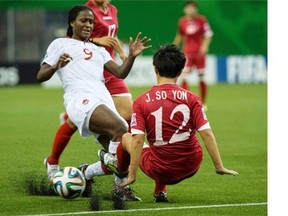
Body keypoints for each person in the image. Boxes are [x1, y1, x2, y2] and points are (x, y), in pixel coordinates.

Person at [97, 44, 238, 202]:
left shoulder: (141, 101)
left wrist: (132, 175)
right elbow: (206, 133)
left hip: (160, 170)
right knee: (166, 140)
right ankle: (160, 192)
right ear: (180, 72)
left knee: (126, 137)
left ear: (155, 69)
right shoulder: (193, 98)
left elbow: (137, 141)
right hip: (191, 166)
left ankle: (120, 176)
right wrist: (219, 166)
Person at [37, 5, 151, 199]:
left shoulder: (98, 50)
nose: (88, 24)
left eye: (91, 21)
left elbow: (120, 72)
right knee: (121, 131)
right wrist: (56, 65)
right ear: (72, 22)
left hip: (102, 101)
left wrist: (131, 56)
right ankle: (112, 174)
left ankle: (89, 174)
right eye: (83, 20)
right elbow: (41, 75)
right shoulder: (59, 44)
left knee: (123, 155)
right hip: (80, 101)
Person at [173, 0, 213, 109]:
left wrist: (205, 46)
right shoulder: (182, 21)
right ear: (184, 9)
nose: (190, 9)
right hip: (187, 53)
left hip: (199, 53)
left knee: (201, 77)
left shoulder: (202, 20)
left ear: (196, 9)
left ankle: (203, 103)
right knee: (184, 76)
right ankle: (185, 102)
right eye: (188, 7)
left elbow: (208, 34)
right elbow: (179, 35)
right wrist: (174, 46)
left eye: (192, 7)